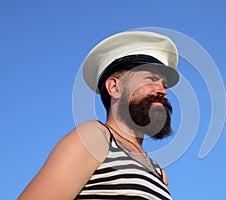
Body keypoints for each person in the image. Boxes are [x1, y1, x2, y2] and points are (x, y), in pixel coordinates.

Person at [19, 30, 179, 200]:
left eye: (164, 84)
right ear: (114, 87)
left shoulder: (160, 173)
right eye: (150, 78)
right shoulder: (95, 137)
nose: (162, 90)